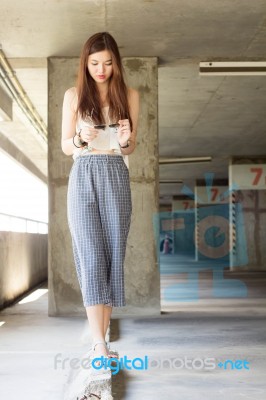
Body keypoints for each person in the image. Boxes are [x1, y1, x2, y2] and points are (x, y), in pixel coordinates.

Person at [61, 32, 139, 372]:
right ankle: (99, 343)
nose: (101, 69)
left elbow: (131, 147)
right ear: (85, 64)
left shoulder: (129, 95)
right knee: (90, 255)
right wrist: (80, 137)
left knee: (110, 256)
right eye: (94, 63)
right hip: (83, 173)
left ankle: (102, 339)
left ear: (116, 63)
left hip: (115, 172)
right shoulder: (74, 95)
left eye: (107, 63)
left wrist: (125, 140)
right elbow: (66, 146)